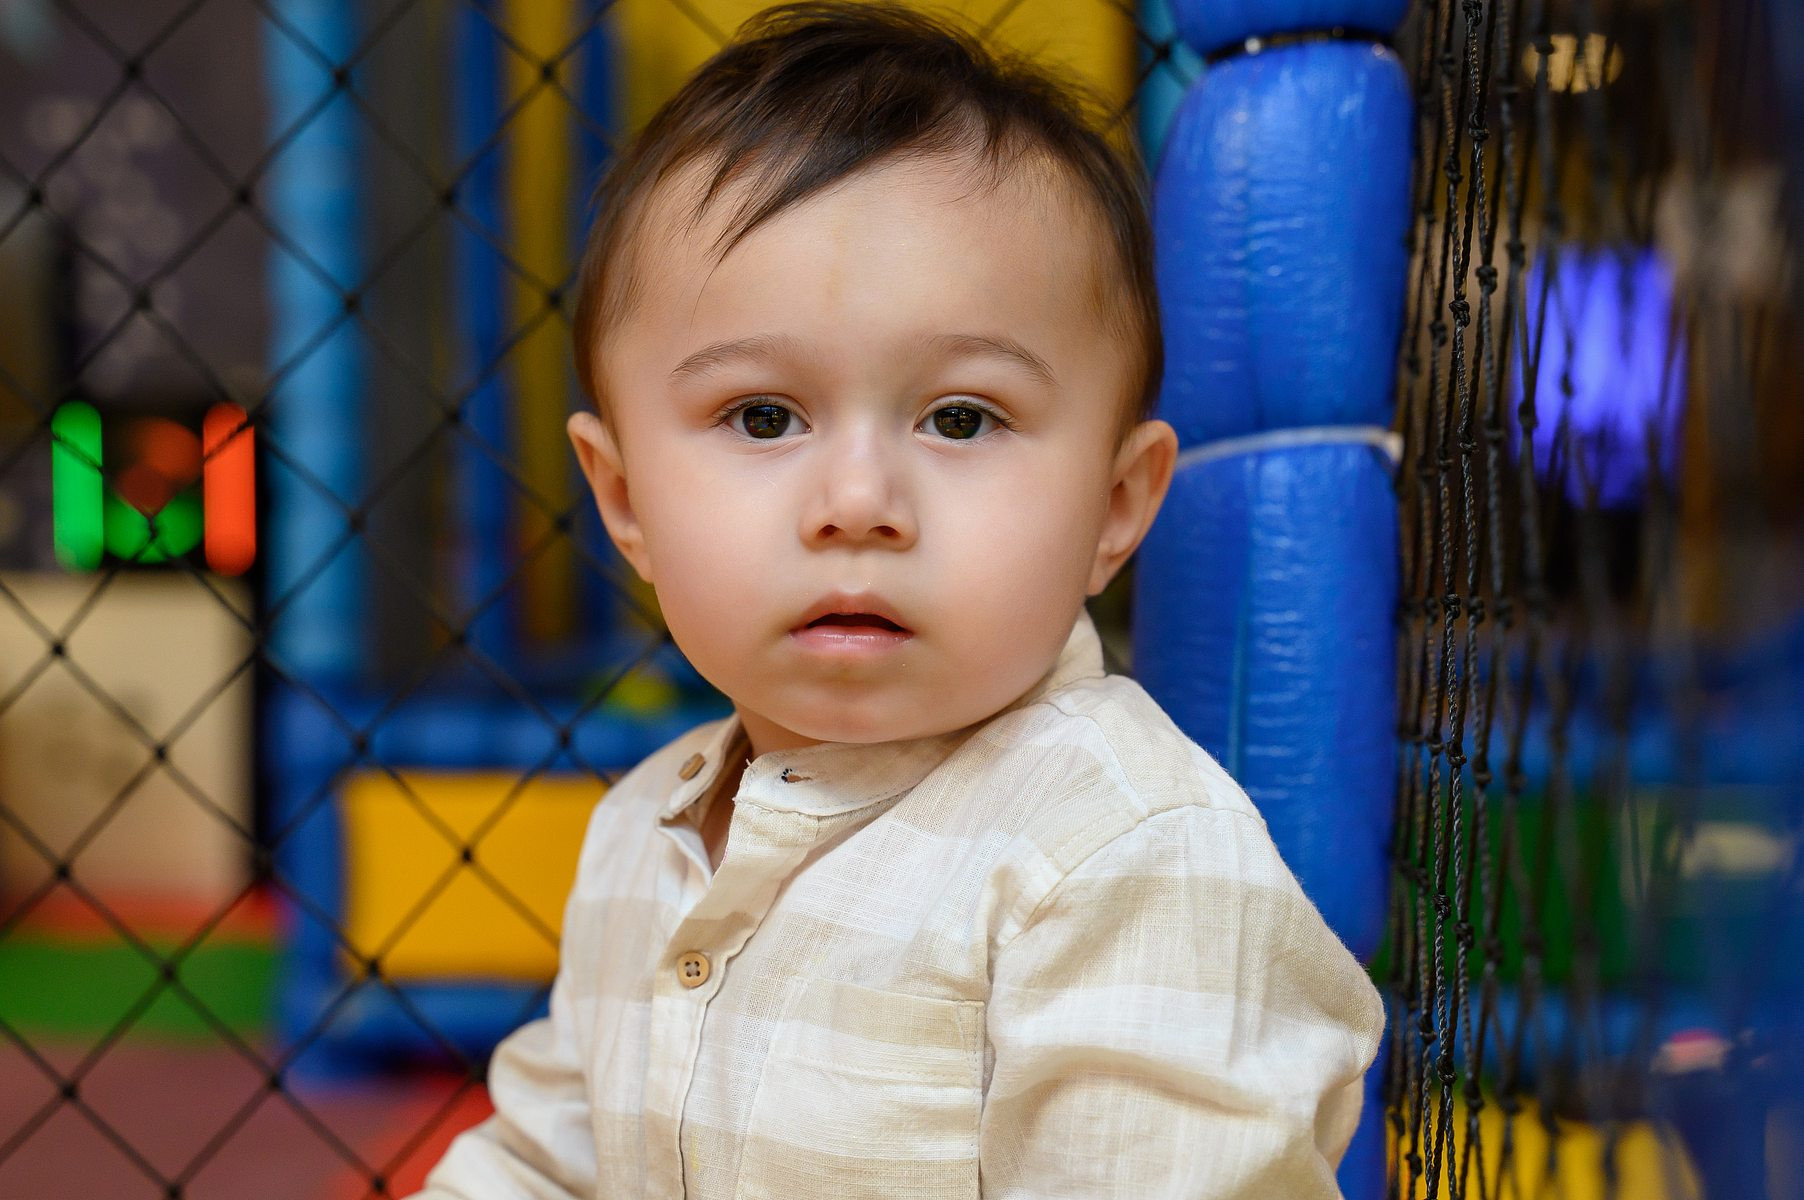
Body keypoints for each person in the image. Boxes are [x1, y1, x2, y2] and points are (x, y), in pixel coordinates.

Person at [410, 2, 1384, 1196]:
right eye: (762, 416)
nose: (859, 502)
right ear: (623, 500)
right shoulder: (637, 834)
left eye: (960, 419)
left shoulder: (1124, 859)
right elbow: (543, 1163)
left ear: (1115, 504)